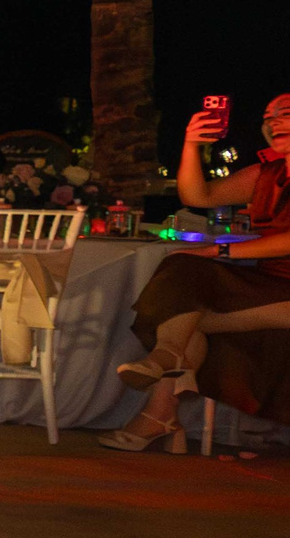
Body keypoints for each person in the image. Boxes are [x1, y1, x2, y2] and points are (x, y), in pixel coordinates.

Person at [103, 92, 290, 451]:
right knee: (183, 271)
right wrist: (191, 146)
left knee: (183, 309)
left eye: (285, 113)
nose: (273, 121)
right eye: (269, 115)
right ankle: (166, 370)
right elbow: (197, 197)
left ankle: (160, 405)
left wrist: (219, 249)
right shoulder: (266, 174)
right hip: (269, 286)